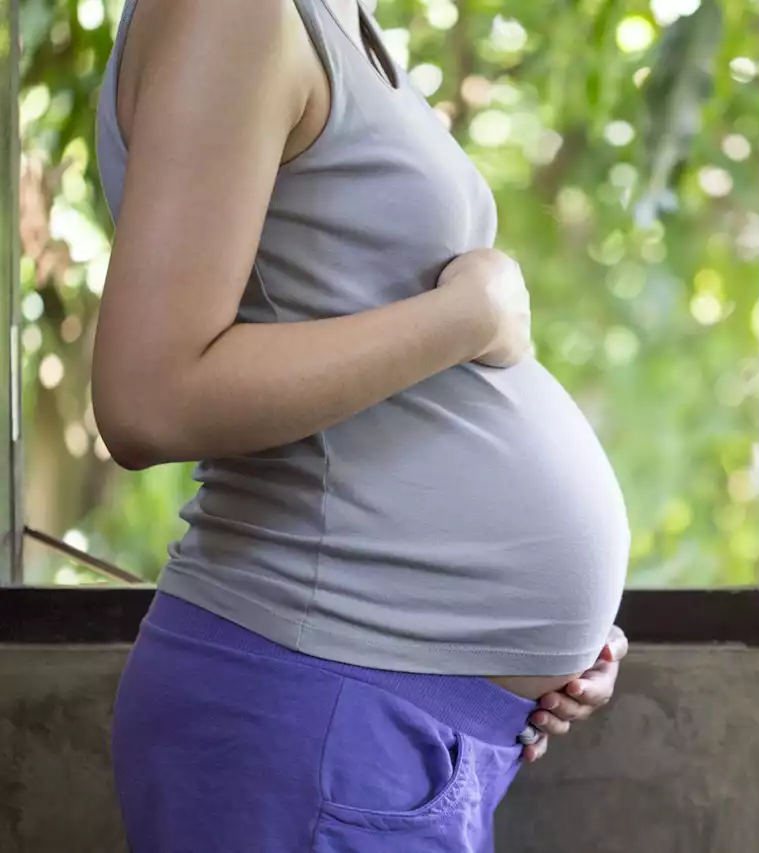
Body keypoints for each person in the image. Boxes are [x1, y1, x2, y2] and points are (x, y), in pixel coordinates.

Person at [93, 0, 632, 849]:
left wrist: (533, 640)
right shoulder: (235, 14)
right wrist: (473, 315)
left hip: (392, 715)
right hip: (315, 707)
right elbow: (148, 401)